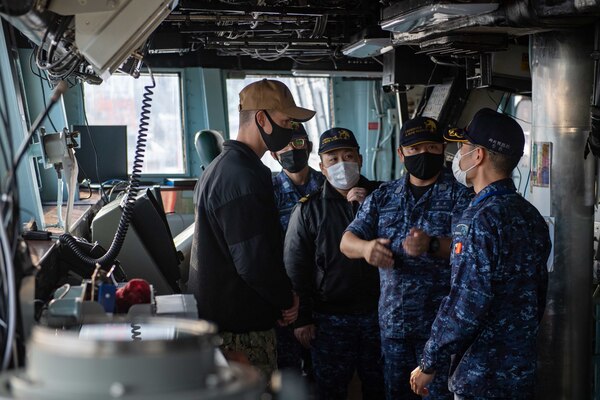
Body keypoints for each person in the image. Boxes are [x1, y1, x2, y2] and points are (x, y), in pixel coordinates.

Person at [410, 108, 551, 399]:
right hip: (520, 369)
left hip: (481, 372)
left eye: (463, 147)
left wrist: (429, 361)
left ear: (478, 156)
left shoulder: (479, 219)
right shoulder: (530, 216)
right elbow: (537, 295)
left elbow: (466, 302)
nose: (458, 156)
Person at [340, 116, 472, 400]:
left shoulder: (461, 197)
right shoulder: (383, 197)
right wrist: (366, 249)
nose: (423, 154)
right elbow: (346, 241)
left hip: (440, 332)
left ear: (442, 149)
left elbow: (470, 250)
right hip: (394, 328)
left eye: (431, 148)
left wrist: (432, 244)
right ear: (401, 154)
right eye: (414, 149)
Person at [188, 79, 312, 377]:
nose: (291, 129)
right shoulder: (241, 177)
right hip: (242, 335)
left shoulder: (223, 168)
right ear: (261, 118)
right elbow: (254, 261)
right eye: (285, 121)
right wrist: (287, 300)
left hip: (227, 324)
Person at [284, 127, 384, 400]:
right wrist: (302, 319)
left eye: (348, 155)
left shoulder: (384, 197)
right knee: (330, 389)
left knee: (381, 387)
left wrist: (368, 206)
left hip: (379, 315)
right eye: (333, 159)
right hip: (330, 319)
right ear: (322, 168)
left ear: (360, 160)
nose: (342, 164)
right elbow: (297, 267)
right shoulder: (308, 209)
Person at [271, 123, 324, 372]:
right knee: (288, 375)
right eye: (284, 144)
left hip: (325, 298)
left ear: (309, 146)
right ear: (273, 153)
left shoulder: (328, 187)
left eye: (299, 142)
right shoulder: (267, 193)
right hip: (285, 299)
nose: (292, 149)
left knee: (324, 377)